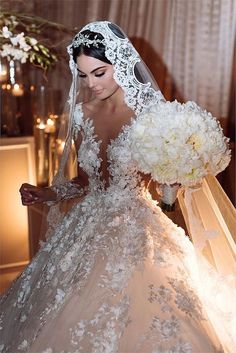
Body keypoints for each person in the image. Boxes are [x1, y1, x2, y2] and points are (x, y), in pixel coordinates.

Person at [0, 21, 235, 353]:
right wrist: (49, 193)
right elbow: (86, 180)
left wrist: (173, 182)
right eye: (83, 75)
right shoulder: (83, 113)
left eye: (99, 73)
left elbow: (168, 179)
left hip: (137, 226)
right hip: (86, 225)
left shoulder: (151, 116)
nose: (91, 84)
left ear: (120, 63)